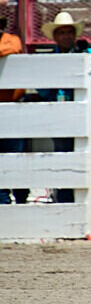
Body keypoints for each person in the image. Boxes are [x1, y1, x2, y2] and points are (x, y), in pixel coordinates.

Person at [37, 11, 91, 203]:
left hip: (83, 116)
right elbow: (42, 89)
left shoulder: (85, 53)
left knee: (85, 159)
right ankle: (64, 202)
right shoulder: (48, 60)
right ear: (55, 37)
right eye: (62, 33)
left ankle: (85, 203)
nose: (66, 36)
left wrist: (86, 53)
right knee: (63, 160)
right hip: (60, 118)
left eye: (69, 32)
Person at [0, 13, 26, 205]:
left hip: (14, 111)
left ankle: (20, 202)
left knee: (17, 163)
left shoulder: (12, 40)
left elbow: (13, 48)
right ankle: (4, 205)